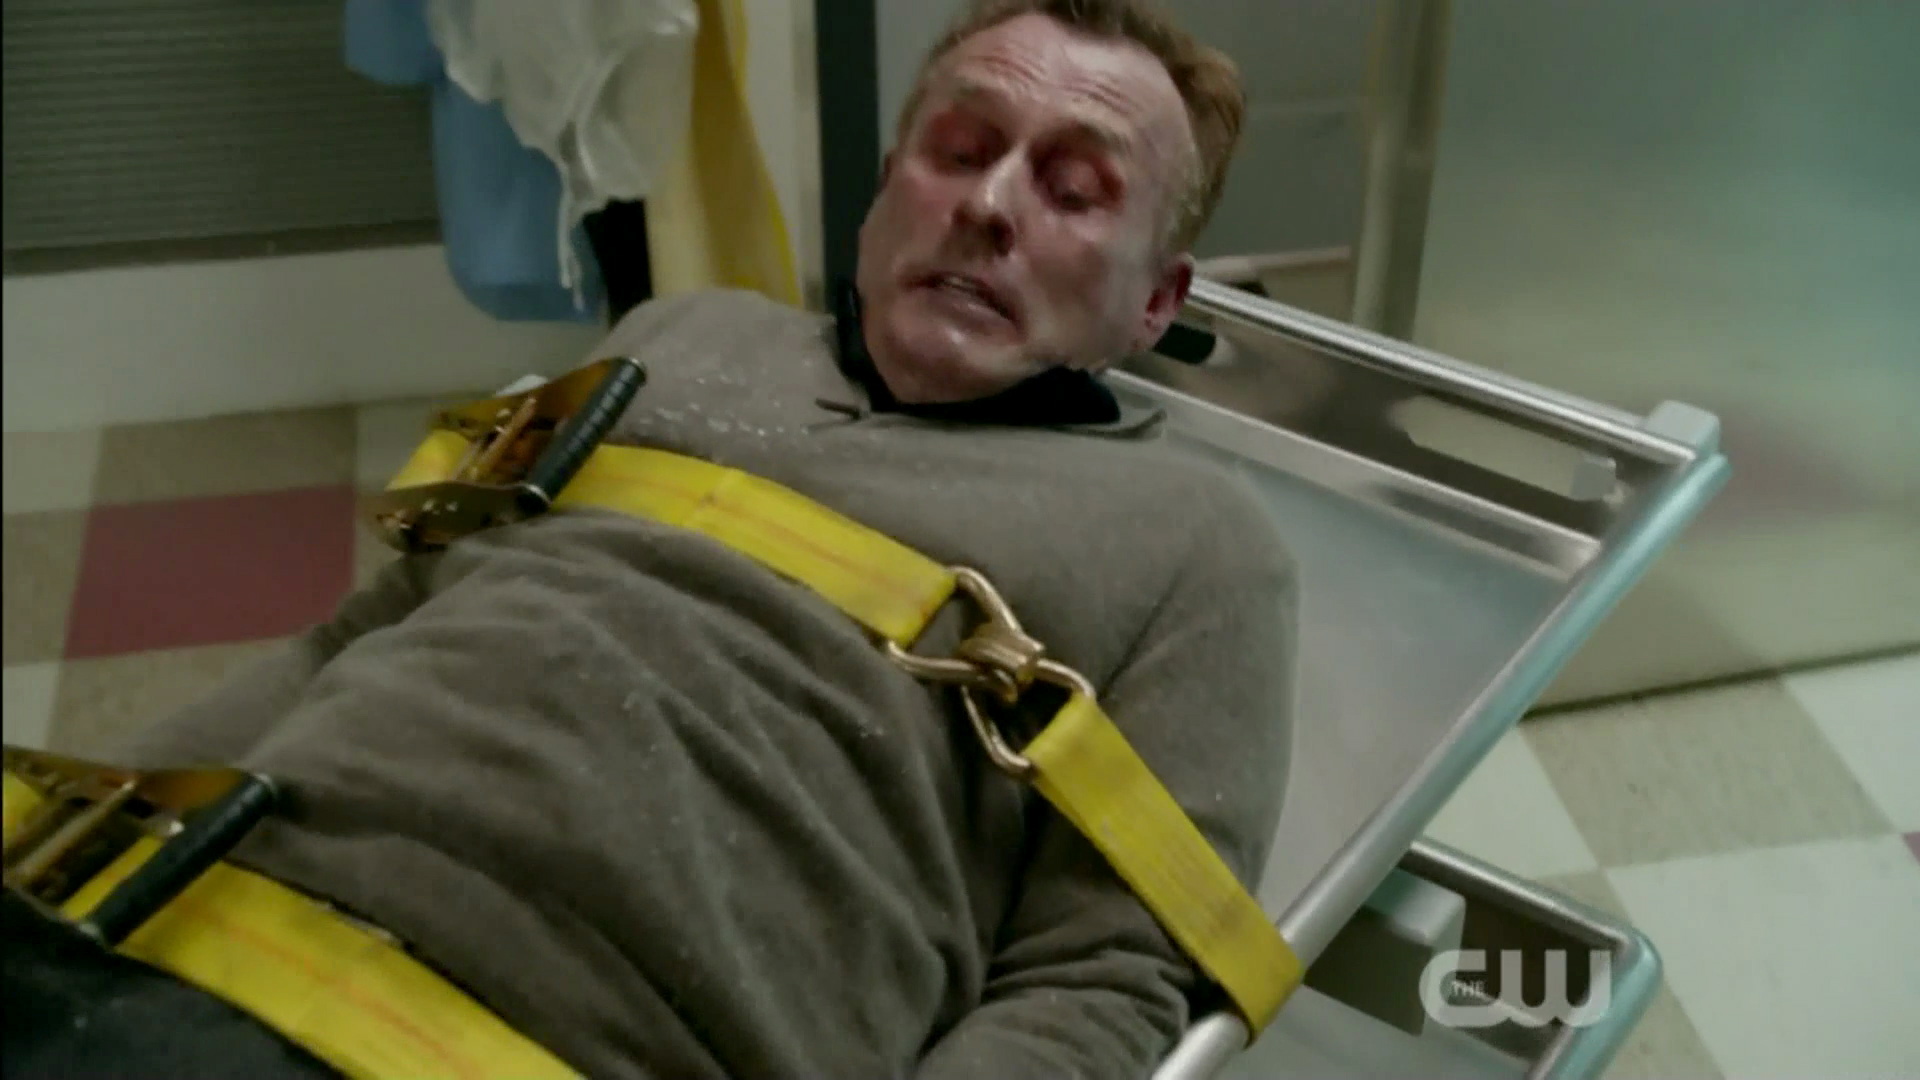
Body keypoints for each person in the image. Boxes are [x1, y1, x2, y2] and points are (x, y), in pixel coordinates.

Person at [2, 1, 1298, 1077]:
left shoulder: (1198, 546)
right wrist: (46, 861)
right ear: (882, 195)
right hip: (183, 941)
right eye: (958, 150)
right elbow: (363, 630)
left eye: (1075, 191)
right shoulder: (680, 338)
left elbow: (1101, 976)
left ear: (1156, 302)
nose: (991, 205)